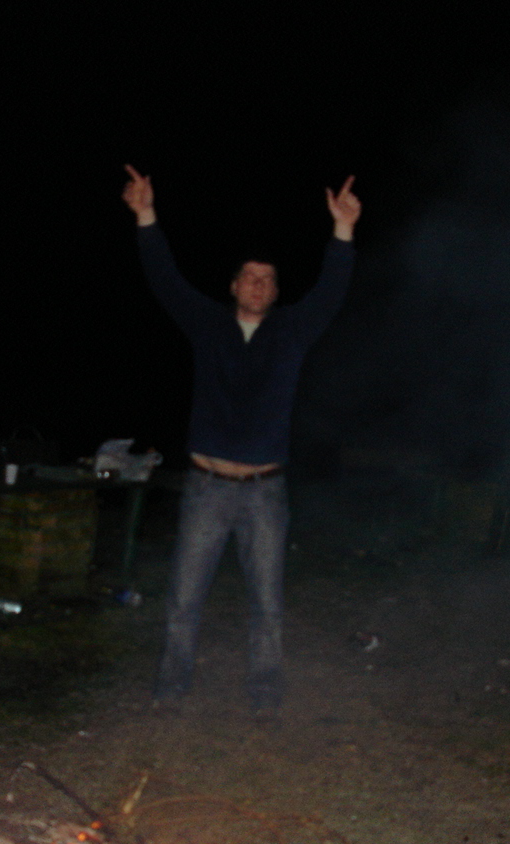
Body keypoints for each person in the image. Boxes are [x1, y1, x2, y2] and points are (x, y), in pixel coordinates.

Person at [122, 164, 360, 717]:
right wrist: (146, 216)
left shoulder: (293, 331)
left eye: (267, 278)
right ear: (233, 286)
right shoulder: (207, 324)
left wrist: (343, 231)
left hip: (265, 490)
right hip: (207, 486)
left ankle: (265, 694)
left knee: (268, 604)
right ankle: (171, 688)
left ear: (276, 291)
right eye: (249, 276)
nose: (258, 284)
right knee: (184, 598)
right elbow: (165, 280)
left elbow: (330, 293)